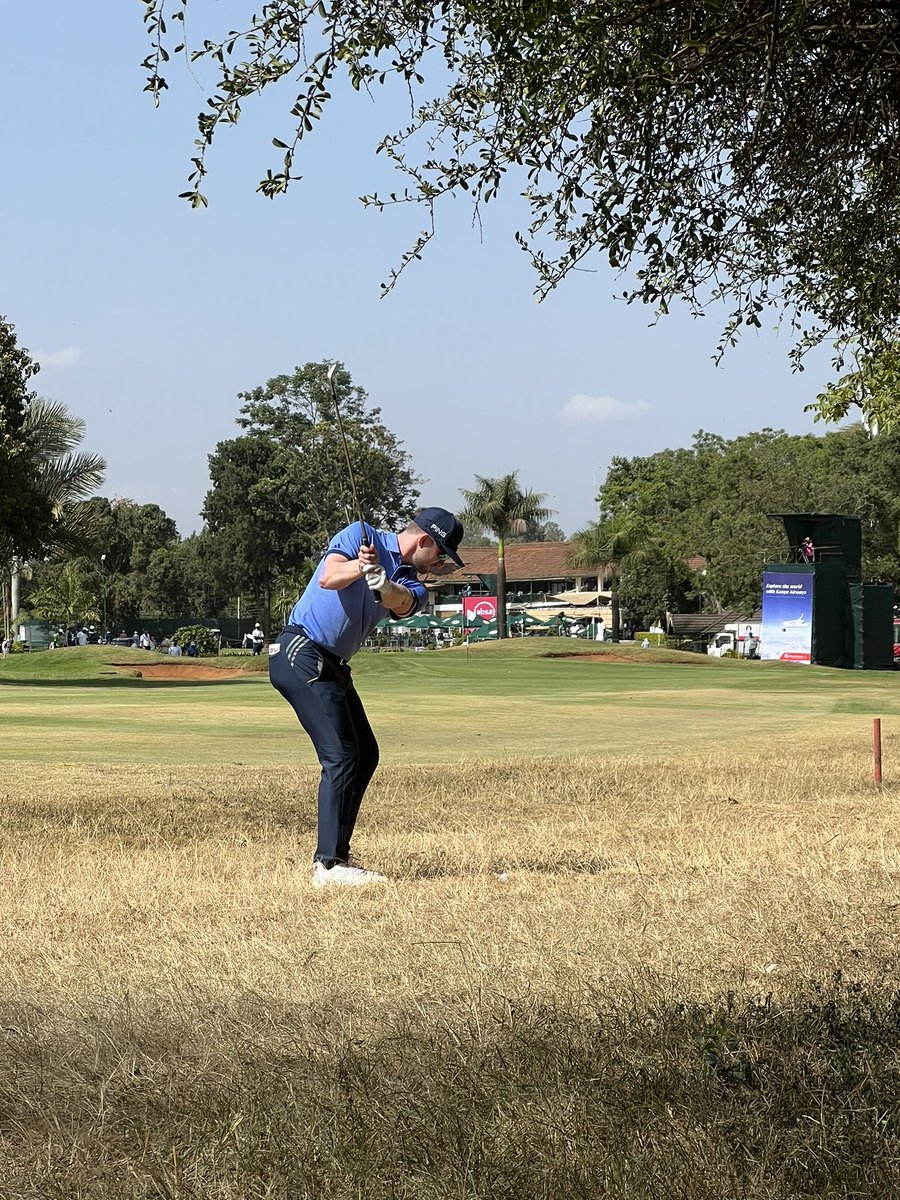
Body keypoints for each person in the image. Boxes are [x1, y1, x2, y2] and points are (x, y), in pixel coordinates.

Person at [269, 506, 464, 888]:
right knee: (341, 755)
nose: (437, 563)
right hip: (302, 651)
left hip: (334, 665)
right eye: (439, 553)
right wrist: (362, 568)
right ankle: (328, 866)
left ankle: (337, 854)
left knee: (366, 754)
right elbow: (329, 578)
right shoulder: (360, 534)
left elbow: (403, 603)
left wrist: (382, 582)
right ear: (424, 540)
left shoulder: (412, 578)